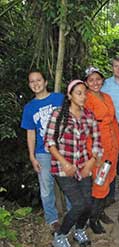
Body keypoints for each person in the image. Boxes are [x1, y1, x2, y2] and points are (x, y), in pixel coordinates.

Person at [45, 80, 103, 247]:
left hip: (83, 165)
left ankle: (79, 230)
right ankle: (60, 236)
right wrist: (64, 162)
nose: (83, 96)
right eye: (79, 93)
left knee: (89, 204)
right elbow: (50, 142)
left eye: (84, 93)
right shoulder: (59, 114)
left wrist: (91, 163)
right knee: (78, 205)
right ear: (69, 96)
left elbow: (97, 142)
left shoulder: (89, 115)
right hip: (63, 167)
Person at [21, 70, 69, 233]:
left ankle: (72, 216)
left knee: (69, 184)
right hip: (43, 152)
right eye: (32, 81)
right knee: (46, 187)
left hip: (63, 149)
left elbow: (71, 118)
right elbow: (31, 133)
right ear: (29, 85)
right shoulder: (29, 108)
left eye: (38, 80)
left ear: (45, 81)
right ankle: (52, 219)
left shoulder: (59, 98)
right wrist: (32, 156)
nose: (36, 84)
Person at [84, 66, 119, 234]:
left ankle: (100, 211)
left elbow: (113, 120)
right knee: (99, 180)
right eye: (91, 80)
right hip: (97, 144)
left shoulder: (107, 96)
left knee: (109, 176)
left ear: (102, 80)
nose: (95, 83)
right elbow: (84, 128)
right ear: (86, 83)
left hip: (111, 142)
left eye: (98, 79)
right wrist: (93, 152)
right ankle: (93, 218)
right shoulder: (86, 99)